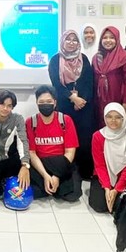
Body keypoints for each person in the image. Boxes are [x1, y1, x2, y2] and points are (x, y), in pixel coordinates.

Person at [47, 30, 95, 179]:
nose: (71, 42)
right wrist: (72, 98)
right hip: (64, 104)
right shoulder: (55, 60)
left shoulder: (83, 58)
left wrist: (81, 100)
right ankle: (67, 172)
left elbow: (89, 82)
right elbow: (56, 84)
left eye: (75, 40)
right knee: (67, 139)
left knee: (84, 139)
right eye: (68, 39)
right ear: (63, 42)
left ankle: (85, 173)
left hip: (84, 106)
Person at [26, 85, 82, 202]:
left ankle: (54, 185)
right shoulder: (30, 122)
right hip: (41, 164)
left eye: (49, 101)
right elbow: (32, 153)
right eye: (41, 102)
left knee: (73, 195)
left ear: (55, 103)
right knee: (34, 192)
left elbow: (70, 152)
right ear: (37, 103)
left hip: (62, 163)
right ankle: (49, 185)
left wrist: (56, 175)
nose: (45, 104)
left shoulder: (65, 120)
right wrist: (45, 175)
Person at [90, 103, 126, 213]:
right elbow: (99, 165)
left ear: (123, 118)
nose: (113, 120)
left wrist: (116, 189)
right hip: (103, 177)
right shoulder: (98, 136)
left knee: (121, 205)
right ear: (105, 118)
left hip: (124, 178)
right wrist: (107, 188)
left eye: (118, 117)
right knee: (99, 206)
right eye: (109, 117)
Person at [92, 26, 126, 128]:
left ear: (117, 39)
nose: (108, 40)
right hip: (100, 101)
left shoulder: (125, 57)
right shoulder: (96, 58)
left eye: (112, 37)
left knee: (118, 127)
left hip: (118, 100)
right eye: (105, 37)